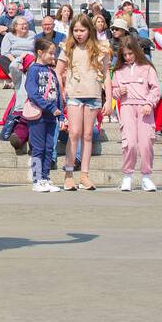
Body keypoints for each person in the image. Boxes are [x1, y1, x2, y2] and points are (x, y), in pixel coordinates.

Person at [56, 14, 107, 191]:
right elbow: (58, 70)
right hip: (74, 94)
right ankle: (69, 174)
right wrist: (62, 91)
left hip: (93, 94)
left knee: (88, 135)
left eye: (82, 30)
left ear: (89, 31)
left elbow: (107, 74)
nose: (78, 34)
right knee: (74, 133)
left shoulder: (100, 49)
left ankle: (84, 175)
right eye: (75, 30)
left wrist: (109, 98)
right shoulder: (67, 48)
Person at [106, 33, 162, 192]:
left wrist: (149, 103)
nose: (128, 57)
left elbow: (156, 89)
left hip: (144, 108)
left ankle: (146, 176)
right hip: (126, 107)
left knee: (146, 143)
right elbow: (113, 90)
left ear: (137, 51)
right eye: (124, 55)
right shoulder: (118, 70)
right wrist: (118, 92)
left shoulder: (147, 68)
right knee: (129, 143)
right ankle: (127, 176)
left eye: (130, 53)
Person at [24, 37, 65, 193]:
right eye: (51, 54)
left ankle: (46, 178)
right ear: (40, 52)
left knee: (49, 148)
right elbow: (33, 92)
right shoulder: (33, 70)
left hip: (52, 116)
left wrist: (60, 115)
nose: (53, 57)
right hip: (38, 115)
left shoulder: (51, 71)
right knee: (38, 148)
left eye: (54, 54)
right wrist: (50, 107)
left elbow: (59, 95)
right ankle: (37, 179)